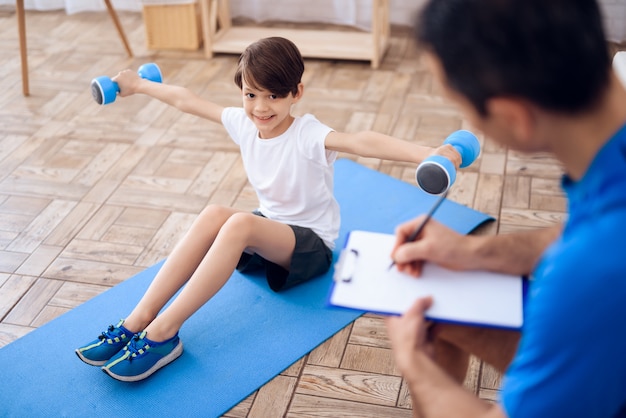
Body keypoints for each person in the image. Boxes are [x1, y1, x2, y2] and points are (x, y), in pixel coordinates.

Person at [75, 37, 460, 382]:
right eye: (251, 95)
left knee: (240, 223)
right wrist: (139, 85)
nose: (260, 107)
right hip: (269, 232)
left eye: (273, 96)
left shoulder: (309, 135)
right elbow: (187, 100)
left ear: (296, 93)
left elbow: (363, 141)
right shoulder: (244, 123)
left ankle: (164, 335)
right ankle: (138, 321)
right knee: (214, 214)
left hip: (310, 248)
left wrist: (430, 153)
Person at [385, 0, 626, 417]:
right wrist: (474, 252)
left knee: (424, 334)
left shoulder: (587, 273)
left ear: (515, 117)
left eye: (465, 107)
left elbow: (597, 257)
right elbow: (588, 230)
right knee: (446, 309)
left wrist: (417, 368)